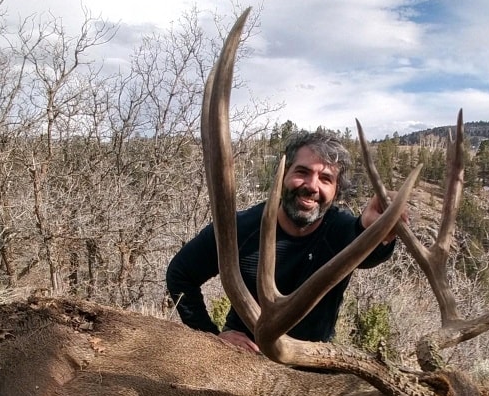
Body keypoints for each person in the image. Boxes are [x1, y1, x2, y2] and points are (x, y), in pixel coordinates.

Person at [167, 130, 404, 353]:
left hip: (312, 360)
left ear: (336, 191)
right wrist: (211, 337)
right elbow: (181, 274)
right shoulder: (240, 228)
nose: (312, 186)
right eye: (302, 172)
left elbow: (369, 253)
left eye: (325, 178)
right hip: (244, 356)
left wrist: (379, 232)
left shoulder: (341, 231)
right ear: (283, 175)